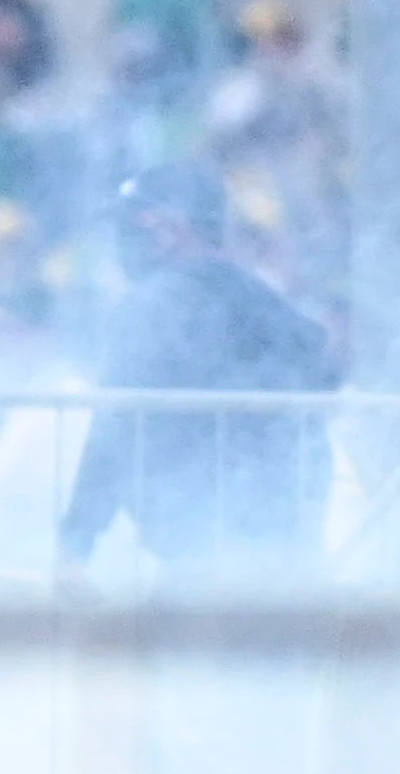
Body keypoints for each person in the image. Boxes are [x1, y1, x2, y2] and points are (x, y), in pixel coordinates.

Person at [57, 163, 338, 575]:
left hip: (201, 563)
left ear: (168, 230)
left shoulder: (149, 308)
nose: (123, 242)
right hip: (288, 561)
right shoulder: (270, 306)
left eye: (131, 226)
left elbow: (115, 428)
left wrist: (76, 541)